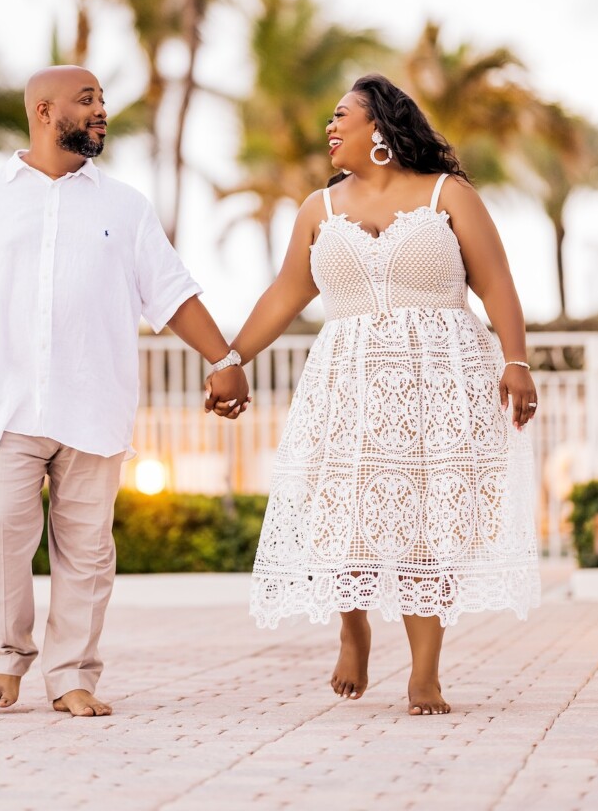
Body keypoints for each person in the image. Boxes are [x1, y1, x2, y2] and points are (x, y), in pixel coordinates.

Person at [0, 65, 249, 718]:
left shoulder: (124, 205)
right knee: (0, 528)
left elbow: (171, 292)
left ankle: (72, 675)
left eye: (102, 102)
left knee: (87, 547)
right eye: (86, 100)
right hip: (3, 401)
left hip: (93, 401)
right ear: (42, 110)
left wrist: (223, 357)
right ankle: (6, 659)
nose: (100, 112)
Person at [207, 73, 540, 715]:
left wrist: (516, 361)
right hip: (348, 378)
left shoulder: (449, 194)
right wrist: (229, 357)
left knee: (427, 522)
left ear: (379, 129)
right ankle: (352, 627)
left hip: (441, 378)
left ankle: (424, 674)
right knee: (342, 513)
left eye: (341, 116)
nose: (329, 129)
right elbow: (285, 294)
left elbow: (496, 282)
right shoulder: (319, 208)